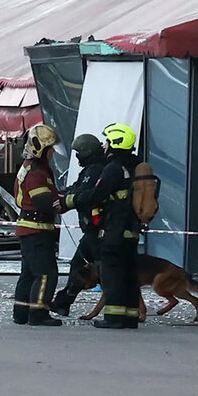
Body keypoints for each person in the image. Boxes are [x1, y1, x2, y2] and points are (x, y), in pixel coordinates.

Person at [71, 123, 144, 329]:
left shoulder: (113, 168)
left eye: (107, 141)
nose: (104, 145)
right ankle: (130, 317)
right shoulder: (136, 166)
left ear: (115, 143)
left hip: (114, 230)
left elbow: (97, 194)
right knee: (129, 274)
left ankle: (114, 318)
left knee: (113, 274)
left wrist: (70, 201)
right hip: (132, 230)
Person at [12, 123, 64, 327]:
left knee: (29, 273)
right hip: (37, 230)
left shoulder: (31, 167)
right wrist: (65, 200)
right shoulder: (36, 173)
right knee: (45, 273)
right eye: (50, 149)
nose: (52, 153)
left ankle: (21, 311)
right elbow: (44, 201)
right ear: (40, 149)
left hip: (30, 229)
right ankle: (39, 313)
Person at [50, 133, 106, 316]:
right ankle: (63, 302)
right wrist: (63, 195)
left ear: (87, 151)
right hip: (95, 230)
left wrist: (65, 201)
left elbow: (85, 192)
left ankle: (63, 302)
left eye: (79, 152)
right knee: (94, 268)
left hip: (96, 230)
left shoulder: (96, 169)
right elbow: (77, 187)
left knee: (79, 267)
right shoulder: (92, 168)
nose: (77, 156)